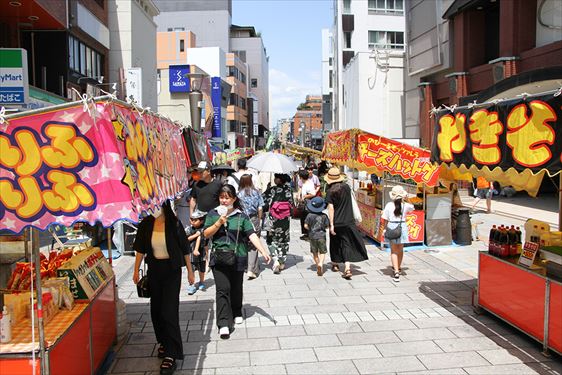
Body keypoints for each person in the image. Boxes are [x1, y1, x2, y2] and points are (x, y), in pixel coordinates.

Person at [132, 201, 195, 374]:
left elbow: (185, 249)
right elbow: (139, 248)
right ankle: (163, 342)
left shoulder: (174, 224)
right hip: (154, 271)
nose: (152, 208)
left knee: (169, 311)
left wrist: (190, 272)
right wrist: (136, 269)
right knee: (156, 311)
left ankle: (171, 354)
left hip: (171, 271)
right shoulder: (146, 224)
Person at [203, 184, 271, 339]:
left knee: (236, 286)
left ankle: (237, 310)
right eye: (221, 197)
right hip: (218, 258)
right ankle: (224, 323)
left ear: (234, 199)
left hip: (238, 256)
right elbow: (206, 234)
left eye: (227, 198)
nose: (224, 201)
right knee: (222, 289)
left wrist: (263, 251)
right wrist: (219, 223)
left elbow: (252, 234)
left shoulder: (242, 216)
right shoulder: (213, 214)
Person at [324, 167, 368, 279]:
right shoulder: (347, 188)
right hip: (348, 221)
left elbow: (331, 209)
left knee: (334, 243)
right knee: (347, 243)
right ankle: (347, 267)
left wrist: (332, 224)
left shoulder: (330, 192)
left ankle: (335, 264)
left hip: (337, 222)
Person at [381, 185, 415, 283]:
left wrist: (384, 229)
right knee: (400, 249)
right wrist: (407, 198)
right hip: (402, 227)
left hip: (391, 226)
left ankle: (395, 271)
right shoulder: (406, 205)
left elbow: (385, 219)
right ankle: (399, 268)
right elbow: (412, 207)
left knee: (393, 250)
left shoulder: (388, 205)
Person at [263, 173, 294, 274]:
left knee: (271, 239)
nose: (275, 179)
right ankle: (282, 261)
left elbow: (263, 201)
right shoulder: (289, 190)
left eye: (276, 178)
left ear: (279, 180)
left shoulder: (272, 189)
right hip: (285, 219)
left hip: (274, 219)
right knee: (283, 240)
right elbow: (292, 204)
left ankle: (275, 260)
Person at [237, 174, 265, 279]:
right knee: (254, 244)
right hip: (254, 219)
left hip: (242, 220)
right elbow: (260, 208)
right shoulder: (256, 192)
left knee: (244, 243)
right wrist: (259, 218)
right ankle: (251, 269)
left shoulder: (238, 194)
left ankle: (251, 267)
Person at [304, 197, 330, 276]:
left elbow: (305, 225)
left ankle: (317, 263)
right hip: (322, 236)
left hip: (312, 236)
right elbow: (327, 226)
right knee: (322, 251)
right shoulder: (324, 216)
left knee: (315, 252)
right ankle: (321, 263)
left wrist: (310, 229)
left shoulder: (309, 215)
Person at [186, 209, 209, 295]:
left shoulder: (204, 229)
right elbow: (186, 239)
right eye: (191, 219)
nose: (192, 221)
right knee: (191, 270)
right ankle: (191, 284)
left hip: (201, 253)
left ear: (201, 220)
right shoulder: (189, 229)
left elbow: (204, 240)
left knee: (201, 269)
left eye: (195, 220)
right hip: (191, 253)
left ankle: (201, 282)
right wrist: (195, 235)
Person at [297, 169, 318, 240]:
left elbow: (313, 193)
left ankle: (309, 234)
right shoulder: (305, 183)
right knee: (304, 218)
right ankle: (306, 234)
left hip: (308, 204)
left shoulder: (309, 184)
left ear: (301, 177)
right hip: (305, 204)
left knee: (307, 219)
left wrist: (304, 197)